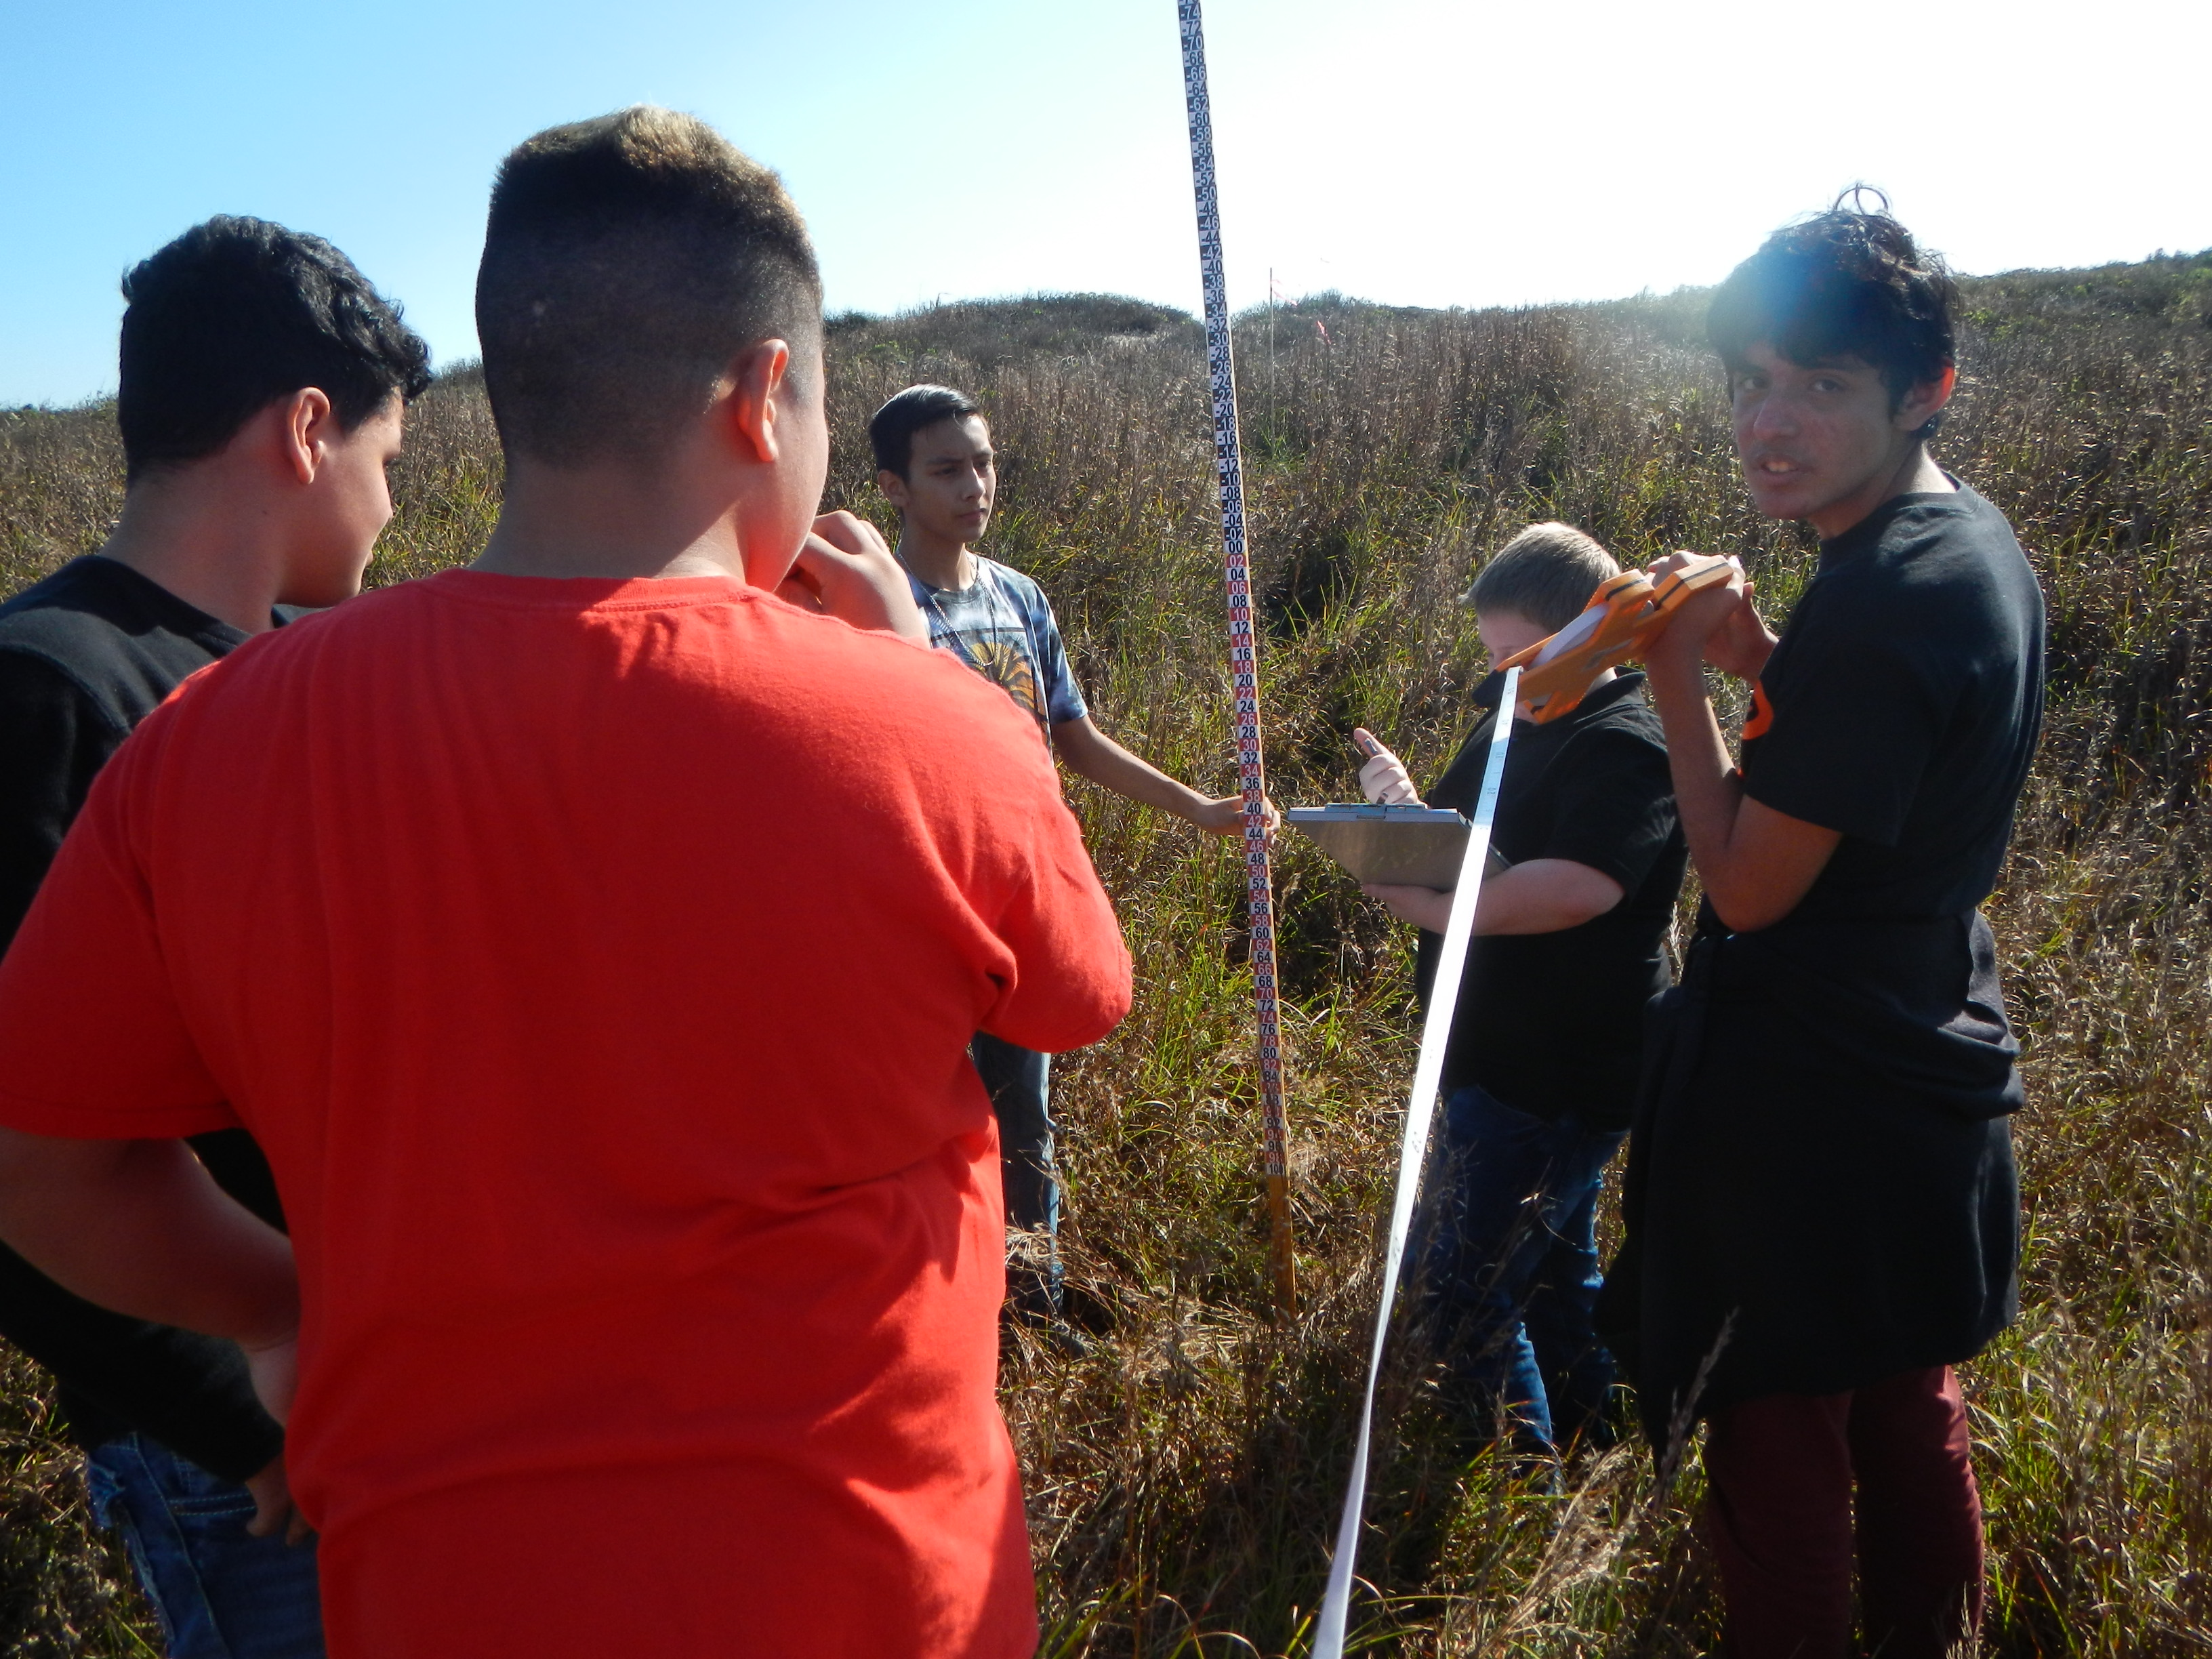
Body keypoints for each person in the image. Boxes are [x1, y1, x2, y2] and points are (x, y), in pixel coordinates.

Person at [0, 106, 1130, 1659]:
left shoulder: (202, 742)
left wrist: (281, 1309)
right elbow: (1078, 993)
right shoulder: (933, 726)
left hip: (434, 1601)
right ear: (768, 395)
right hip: (875, 1596)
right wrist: (916, 670)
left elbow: (43, 1171)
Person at [1597, 200, 2044, 1659]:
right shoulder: (1963, 541)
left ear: (1928, 391)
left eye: (1823, 388)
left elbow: (1743, 885)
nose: (1769, 424)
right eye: (1754, 382)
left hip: (1813, 1101)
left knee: (1782, 1451)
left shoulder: (1886, 601)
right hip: (1921, 1044)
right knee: (1913, 1412)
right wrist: (1763, 657)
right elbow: (1876, 775)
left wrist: (1672, 676)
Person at [0, 216, 431, 1657]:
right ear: (310, 430)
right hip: (244, 1448)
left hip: (362, 1391)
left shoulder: (285, 675)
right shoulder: (52, 685)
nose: (388, 509)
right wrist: (238, 1419)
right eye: (389, 464)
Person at [868, 383, 1263, 1326]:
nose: (975, 486)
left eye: (984, 462)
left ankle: (1030, 1306)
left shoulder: (1019, 598)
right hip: (919, 913)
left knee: (1025, 1117)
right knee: (914, 1128)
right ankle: (932, 1311)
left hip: (1022, 902)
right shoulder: (873, 609)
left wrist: (1198, 806)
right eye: (946, 469)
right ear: (894, 486)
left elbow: (1074, 739)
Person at [1353, 523, 1686, 1455]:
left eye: (1516, 652)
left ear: (1586, 633)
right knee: (1551, 1274)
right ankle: (1602, 1446)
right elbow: (1470, 839)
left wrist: (1430, 912)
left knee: (1461, 1288)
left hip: (1553, 1076)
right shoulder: (1520, 715)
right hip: (1493, 1056)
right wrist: (1399, 810)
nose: (1501, 673)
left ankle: (1518, 1485)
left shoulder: (1628, 743)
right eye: (1493, 655)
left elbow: (1578, 887)